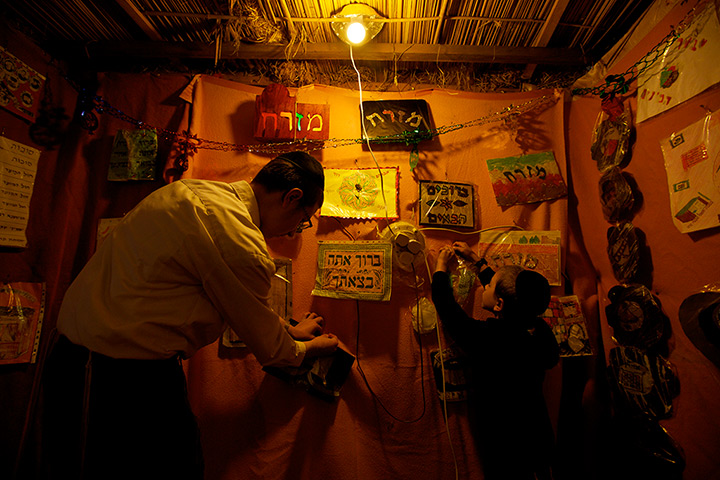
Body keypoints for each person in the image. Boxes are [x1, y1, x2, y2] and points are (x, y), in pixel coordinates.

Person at [41, 152, 339, 479]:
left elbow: (234, 298)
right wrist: (313, 348)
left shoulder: (193, 192)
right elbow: (273, 352)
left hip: (118, 360)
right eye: (303, 220)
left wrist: (287, 328)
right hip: (104, 367)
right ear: (291, 198)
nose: (296, 231)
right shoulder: (240, 241)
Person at [431, 241, 560, 480]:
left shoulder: (489, 338)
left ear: (499, 304)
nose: (485, 287)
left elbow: (448, 310)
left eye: (488, 286)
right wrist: (478, 263)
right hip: (538, 436)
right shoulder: (540, 331)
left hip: (504, 442)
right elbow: (512, 292)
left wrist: (440, 268)